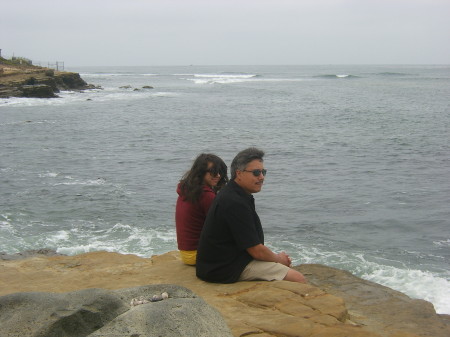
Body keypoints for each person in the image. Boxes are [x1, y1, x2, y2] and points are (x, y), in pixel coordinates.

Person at [196, 147, 306, 283]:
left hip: (222, 262)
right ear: (239, 173)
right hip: (223, 269)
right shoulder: (233, 202)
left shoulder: (235, 194)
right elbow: (256, 251)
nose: (261, 177)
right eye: (256, 172)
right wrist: (279, 259)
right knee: (298, 279)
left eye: (263, 172)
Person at [175, 153, 228, 265]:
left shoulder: (187, 189)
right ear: (201, 172)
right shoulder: (206, 195)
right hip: (198, 254)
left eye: (220, 172)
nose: (218, 175)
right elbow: (222, 227)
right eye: (213, 172)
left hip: (186, 254)